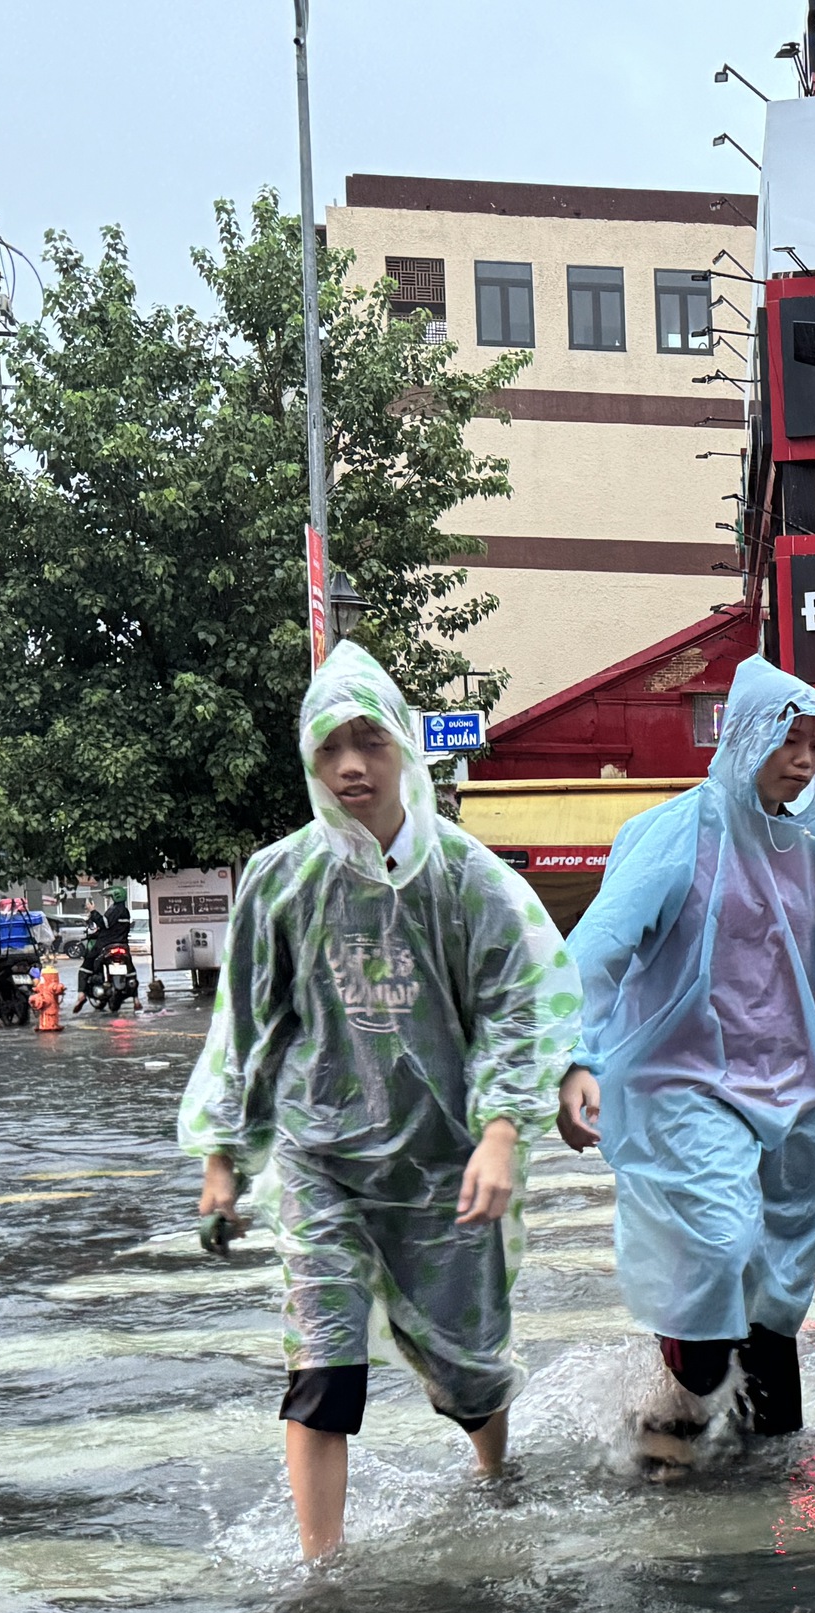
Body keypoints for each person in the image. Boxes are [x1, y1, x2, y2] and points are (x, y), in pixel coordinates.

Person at [179, 642, 582, 1561]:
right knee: (323, 1364)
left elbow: (523, 1007)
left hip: (445, 1164)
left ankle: (493, 1473)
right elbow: (246, 1023)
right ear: (309, 762)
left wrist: (502, 1132)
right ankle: (321, 1572)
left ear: (404, 745)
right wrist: (221, 1160)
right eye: (329, 747)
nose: (351, 765)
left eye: (369, 741)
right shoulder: (281, 879)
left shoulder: (467, 878)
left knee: (468, 1369)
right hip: (321, 1160)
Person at [556, 656, 815, 1467]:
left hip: (794, 1081)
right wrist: (578, 1056)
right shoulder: (681, 832)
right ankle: (673, 1413)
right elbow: (599, 949)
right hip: (687, 1080)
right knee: (717, 1244)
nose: (804, 755)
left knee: (780, 1274)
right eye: (790, 737)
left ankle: (755, 1441)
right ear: (749, 735)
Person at [75, 885, 133, 1011]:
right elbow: (113, 929)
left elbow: (104, 924)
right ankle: (135, 998)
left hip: (105, 945)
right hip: (123, 944)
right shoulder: (125, 911)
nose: (109, 900)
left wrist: (93, 911)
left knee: (86, 967)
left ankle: (81, 994)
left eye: (110, 897)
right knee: (131, 970)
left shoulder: (115, 909)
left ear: (115, 897)